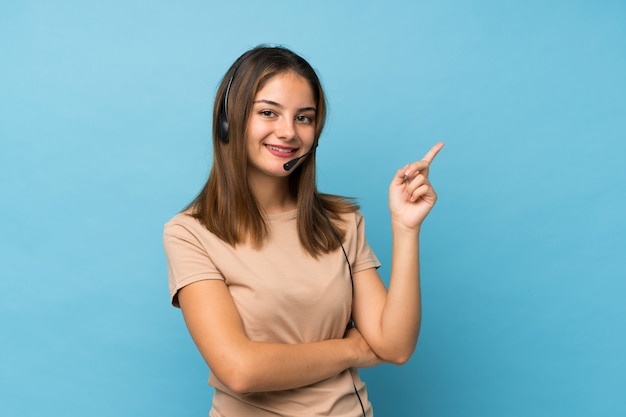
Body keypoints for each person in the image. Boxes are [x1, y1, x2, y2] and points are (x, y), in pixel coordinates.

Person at [163, 45, 443, 417]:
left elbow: (396, 346)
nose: (288, 132)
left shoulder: (341, 222)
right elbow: (240, 370)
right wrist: (353, 350)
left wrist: (406, 229)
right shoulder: (190, 233)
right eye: (268, 113)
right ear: (228, 121)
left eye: (304, 118)